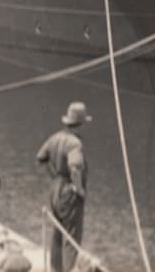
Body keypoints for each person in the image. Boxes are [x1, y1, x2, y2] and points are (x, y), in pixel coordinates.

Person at [36, 101, 91, 272]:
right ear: (81, 124)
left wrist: (53, 175)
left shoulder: (55, 137)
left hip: (55, 187)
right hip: (69, 190)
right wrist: (79, 189)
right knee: (71, 236)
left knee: (57, 232)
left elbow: (40, 158)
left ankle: (55, 269)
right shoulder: (75, 144)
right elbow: (75, 167)